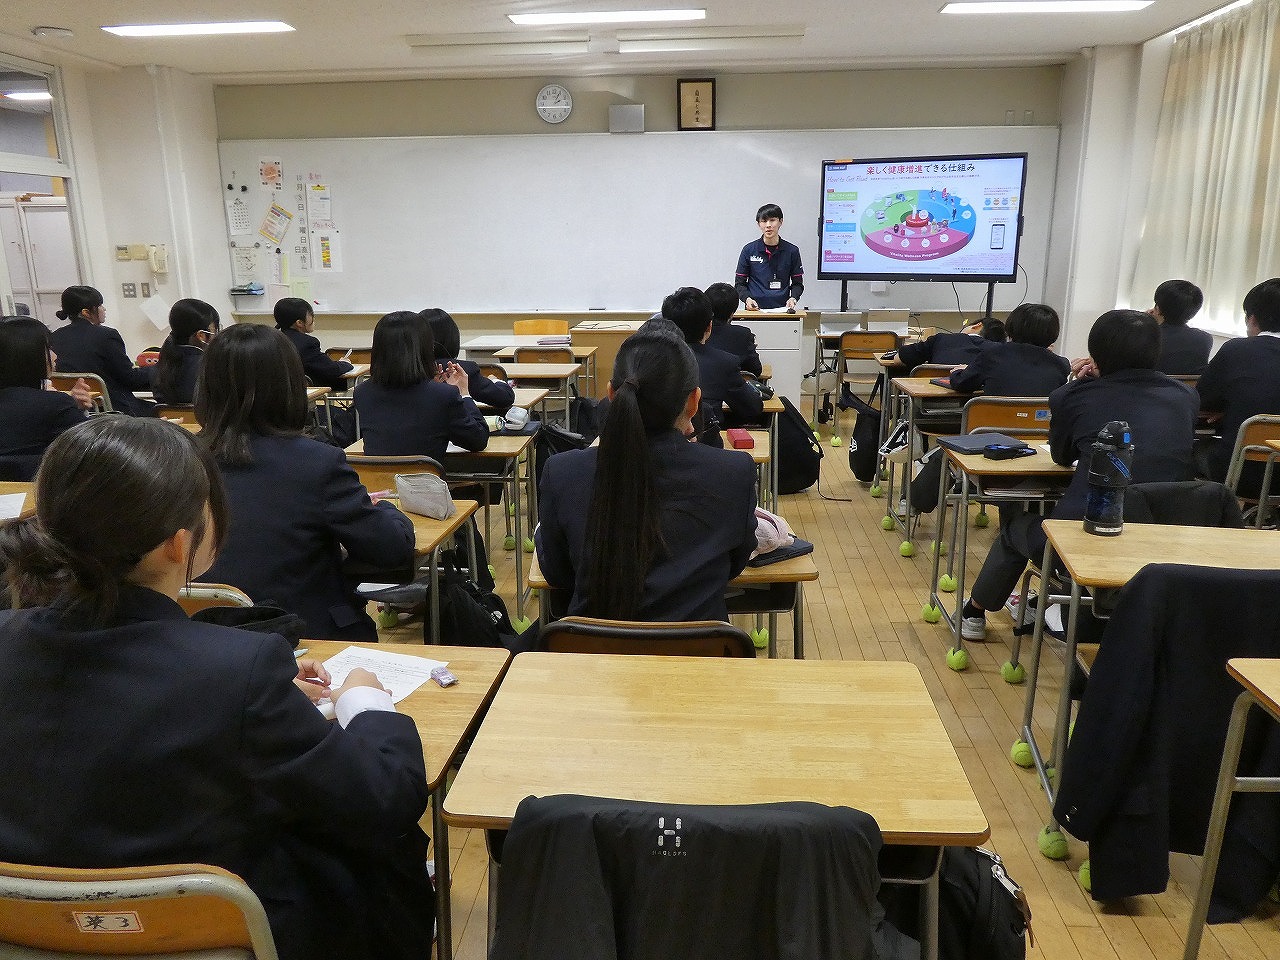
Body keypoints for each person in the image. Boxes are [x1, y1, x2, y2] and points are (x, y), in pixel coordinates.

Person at [0, 416, 434, 960]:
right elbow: (383, 798)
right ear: (178, 544)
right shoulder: (240, 670)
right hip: (214, 936)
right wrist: (365, 700)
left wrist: (259, 706)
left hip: (27, 934)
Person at [959, 309, 1197, 641]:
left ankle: (974, 613)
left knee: (1015, 528)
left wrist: (1080, 386)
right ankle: (1047, 604)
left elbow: (1061, 456)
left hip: (1086, 541)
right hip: (1165, 543)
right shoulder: (1185, 396)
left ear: (1094, 352)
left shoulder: (1073, 395)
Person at [195, 324, 415, 641]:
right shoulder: (317, 463)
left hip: (201, 637)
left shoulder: (177, 460)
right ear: (290, 385)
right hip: (300, 638)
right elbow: (391, 549)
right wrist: (385, 510)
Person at [536, 330, 757, 622]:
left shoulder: (562, 472)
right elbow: (734, 564)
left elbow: (557, 573)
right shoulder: (734, 472)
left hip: (594, 649)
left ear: (611, 394)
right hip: (701, 649)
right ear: (694, 402)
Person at [354, 310, 489, 463]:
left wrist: (435, 387)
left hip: (376, 478)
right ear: (426, 348)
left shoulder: (362, 392)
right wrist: (464, 393)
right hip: (424, 479)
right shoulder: (443, 395)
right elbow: (478, 440)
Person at [1195, 277, 1280, 491]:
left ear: (1252, 319)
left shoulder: (1236, 350)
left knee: (1193, 450)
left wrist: (1232, 409)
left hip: (1243, 473)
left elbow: (1202, 401)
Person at [664, 286, 763, 440]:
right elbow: (752, 408)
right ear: (709, 327)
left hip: (657, 442)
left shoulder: (653, 360)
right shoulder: (724, 362)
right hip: (706, 441)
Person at [0, 316, 87, 480]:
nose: (55, 355)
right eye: (49, 348)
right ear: (29, 356)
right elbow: (92, 450)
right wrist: (72, 408)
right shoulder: (55, 404)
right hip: (42, 491)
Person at [49, 284, 155, 416]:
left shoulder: (54, 337)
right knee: (161, 410)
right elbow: (130, 378)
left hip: (79, 411)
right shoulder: (107, 335)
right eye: (100, 305)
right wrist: (158, 369)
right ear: (86, 312)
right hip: (116, 410)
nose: (104, 309)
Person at [949, 303, 1069, 395]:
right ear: (1053, 333)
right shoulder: (1061, 364)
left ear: (1011, 326)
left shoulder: (993, 355)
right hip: (1039, 421)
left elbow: (961, 384)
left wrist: (957, 372)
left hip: (993, 420)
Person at [422, 306, 517, 413]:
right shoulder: (461, 371)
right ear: (452, 337)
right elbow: (506, 398)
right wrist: (495, 380)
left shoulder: (410, 371)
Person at [274, 296, 355, 389]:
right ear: (299, 323)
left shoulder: (273, 340)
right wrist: (345, 363)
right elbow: (331, 370)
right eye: (311, 314)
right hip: (303, 394)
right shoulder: (308, 343)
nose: (313, 318)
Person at [734, 203, 803, 310]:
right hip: (755, 310)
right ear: (758, 224)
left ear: (781, 221)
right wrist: (747, 299)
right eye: (764, 221)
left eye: (772, 220)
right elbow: (739, 283)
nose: (768, 225)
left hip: (782, 310)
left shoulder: (792, 251)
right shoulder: (748, 250)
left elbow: (798, 284)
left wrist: (793, 298)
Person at [151, 297, 220, 405]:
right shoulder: (210, 368)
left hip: (169, 416)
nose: (216, 335)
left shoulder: (161, 365)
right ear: (201, 335)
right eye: (214, 330)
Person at [1151, 279, 1211, 376]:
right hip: (1187, 386)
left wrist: (1144, 322)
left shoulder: (1148, 338)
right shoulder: (1205, 339)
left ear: (1157, 309)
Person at [704, 281, 762, 375]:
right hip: (735, 383)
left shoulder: (698, 332)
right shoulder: (743, 334)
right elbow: (756, 370)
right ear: (732, 314)